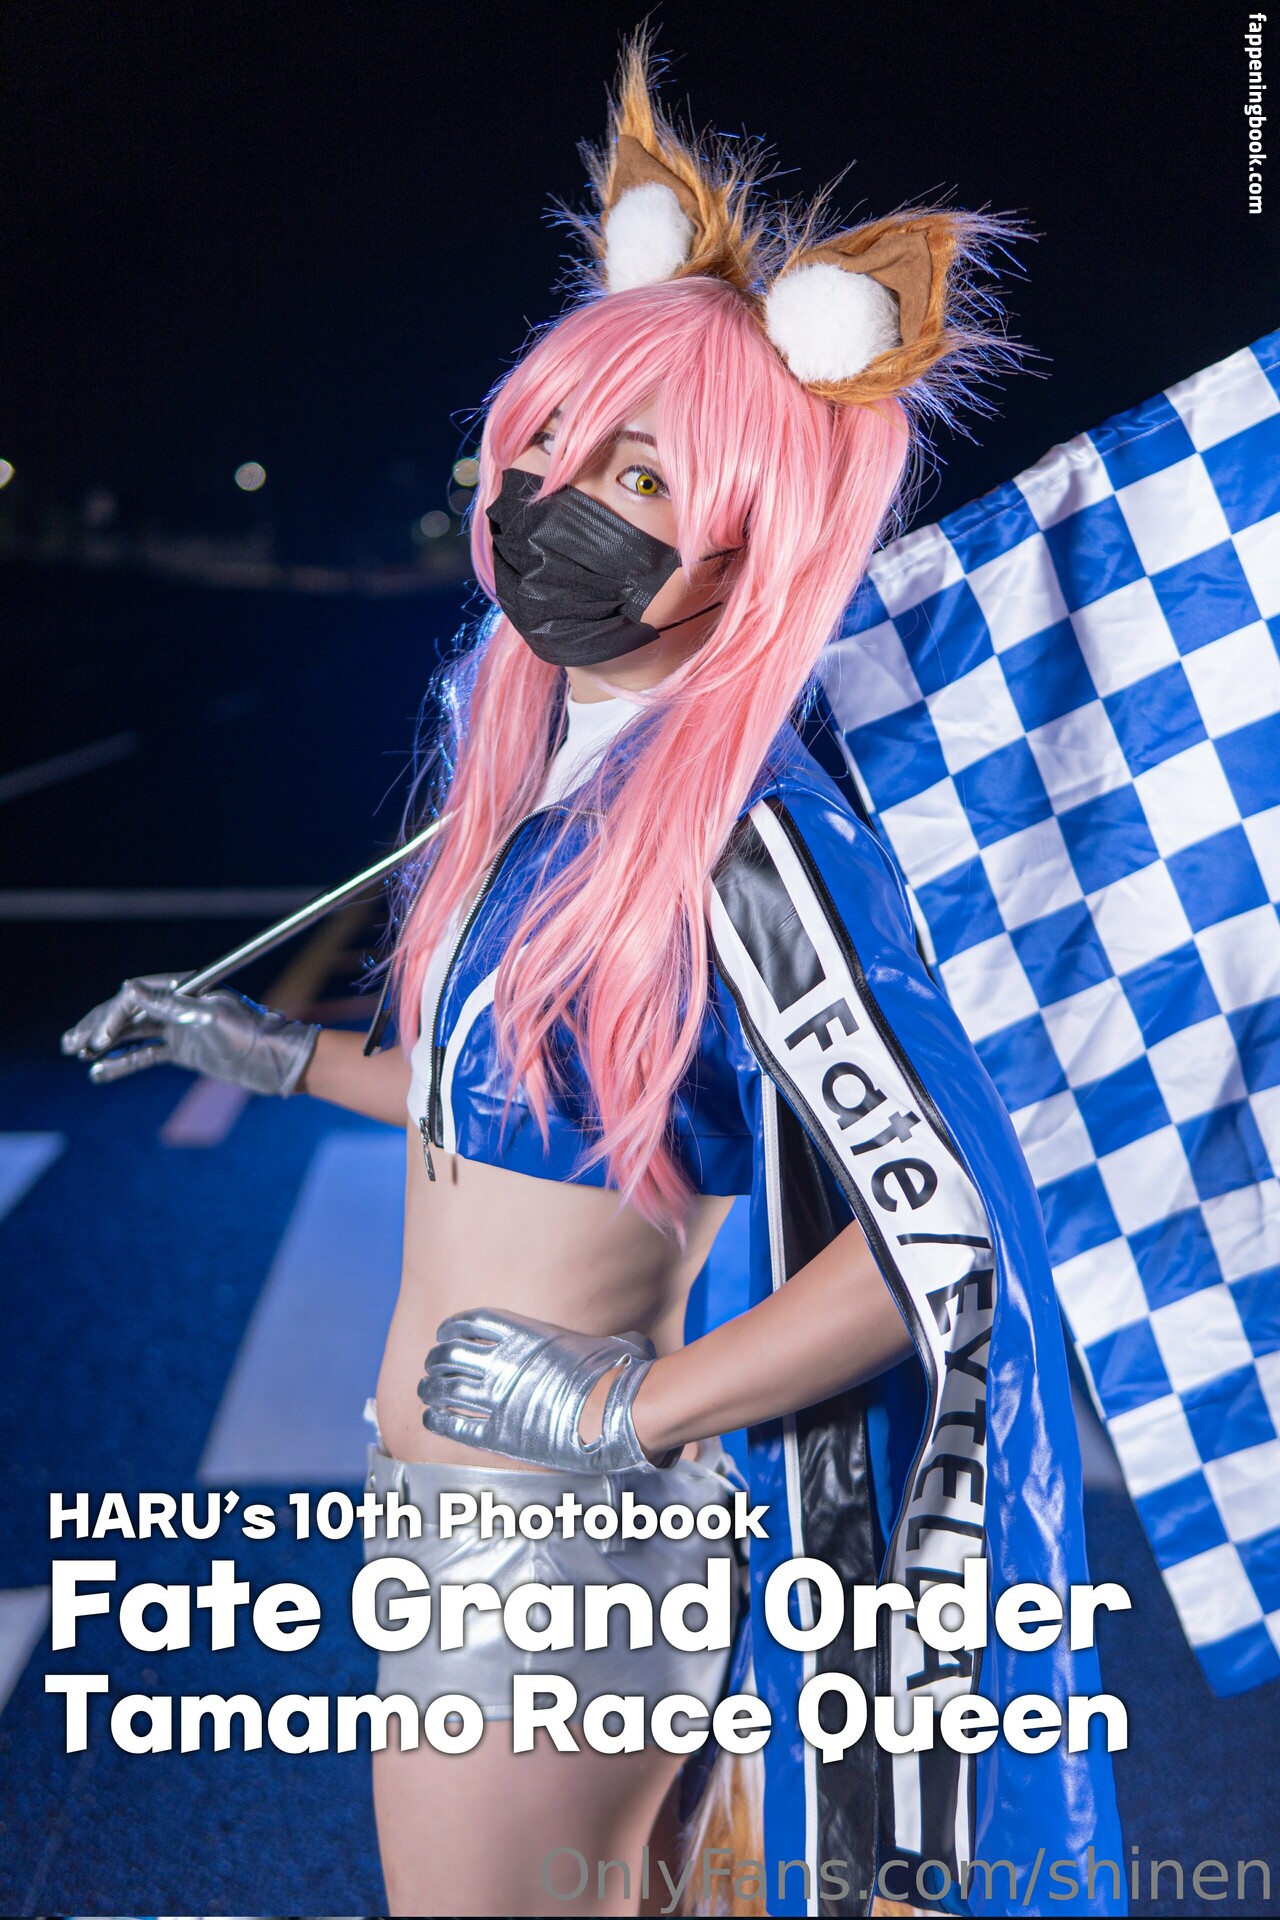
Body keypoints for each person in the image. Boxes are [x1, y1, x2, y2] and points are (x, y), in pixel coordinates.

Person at [63, 45, 1125, 1920]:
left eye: (639, 473)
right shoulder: (567, 795)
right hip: (461, 1509)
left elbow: (943, 1233)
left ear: (755, 532)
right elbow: (517, 1112)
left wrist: (626, 1415)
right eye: (547, 452)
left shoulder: (748, 836)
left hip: (562, 1541)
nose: (556, 503)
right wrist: (274, 1052)